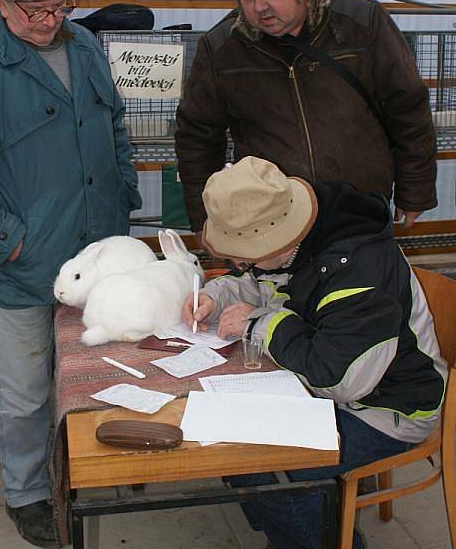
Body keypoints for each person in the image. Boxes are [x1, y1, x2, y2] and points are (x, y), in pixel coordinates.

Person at [0, 0, 141, 549]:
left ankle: (88, 467)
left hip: (98, 255)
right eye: (37, 9)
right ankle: (26, 493)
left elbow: (114, 125)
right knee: (24, 393)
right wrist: (8, 240)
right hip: (24, 265)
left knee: (94, 370)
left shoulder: (84, 47)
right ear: (0, 2)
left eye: (62, 5)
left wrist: (126, 189)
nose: (52, 19)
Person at [182, 156, 446, 549]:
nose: (237, 264)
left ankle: (312, 532)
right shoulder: (296, 242)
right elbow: (259, 283)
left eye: (244, 255)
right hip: (332, 390)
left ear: (284, 240)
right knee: (231, 444)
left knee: (267, 469)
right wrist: (213, 297)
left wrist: (259, 324)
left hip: (387, 409)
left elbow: (339, 379)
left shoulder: (361, 270)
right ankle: (290, 529)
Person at [175, 0, 437, 239]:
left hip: (360, 212)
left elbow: (407, 107)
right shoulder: (221, 48)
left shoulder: (361, 21)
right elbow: (197, 139)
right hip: (269, 225)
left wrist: (414, 190)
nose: (259, 7)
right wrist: (209, 222)